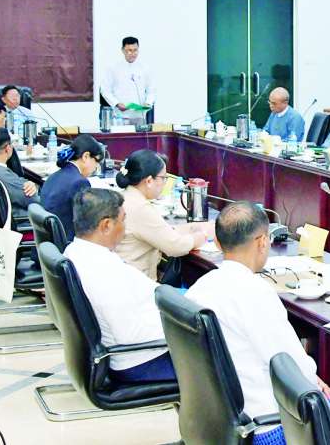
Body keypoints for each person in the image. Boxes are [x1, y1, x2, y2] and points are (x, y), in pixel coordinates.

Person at [185, 202, 330, 445]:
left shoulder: (199, 289)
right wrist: (310, 377)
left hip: (222, 420)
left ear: (217, 243)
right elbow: (292, 367)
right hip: (271, 427)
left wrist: (310, 376)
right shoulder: (255, 292)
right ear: (263, 241)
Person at [64, 188, 176, 382]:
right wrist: (184, 325)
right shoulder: (103, 272)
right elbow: (130, 335)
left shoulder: (74, 251)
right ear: (106, 225)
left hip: (137, 344)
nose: (125, 228)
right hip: (142, 363)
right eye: (123, 220)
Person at [114, 149, 210, 280]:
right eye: (163, 178)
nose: (165, 183)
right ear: (149, 181)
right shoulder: (140, 208)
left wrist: (191, 228)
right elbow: (175, 246)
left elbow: (159, 230)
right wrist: (202, 236)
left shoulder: (126, 196)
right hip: (136, 284)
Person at [40, 135, 105, 241]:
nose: (96, 167)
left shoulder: (54, 176)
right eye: (96, 162)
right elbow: (86, 221)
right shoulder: (79, 182)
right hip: (67, 242)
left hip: (49, 243)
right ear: (86, 156)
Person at [0, 128, 41, 216]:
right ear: (8, 148)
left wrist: (29, 183)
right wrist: (36, 188)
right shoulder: (2, 175)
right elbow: (35, 200)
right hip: (23, 219)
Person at [101, 36, 156, 124]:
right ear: (123, 50)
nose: (132, 53)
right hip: (120, 117)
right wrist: (117, 103)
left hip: (140, 117)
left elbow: (151, 90)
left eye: (135, 50)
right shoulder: (113, 68)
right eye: (129, 50)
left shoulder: (145, 68)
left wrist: (148, 103)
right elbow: (105, 90)